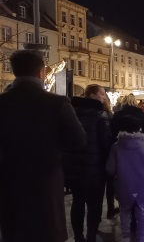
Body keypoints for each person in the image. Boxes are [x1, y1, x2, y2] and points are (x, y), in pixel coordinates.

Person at [0, 50, 86, 242]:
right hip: (46, 185)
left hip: (10, 184)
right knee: (47, 231)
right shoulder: (57, 103)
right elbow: (78, 141)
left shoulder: (2, 103)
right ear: (41, 73)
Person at [66, 84, 113, 242]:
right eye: (101, 94)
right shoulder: (100, 114)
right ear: (92, 95)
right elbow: (106, 142)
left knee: (77, 202)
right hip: (96, 167)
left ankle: (79, 236)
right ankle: (91, 235)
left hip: (75, 166)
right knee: (95, 204)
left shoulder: (72, 112)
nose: (104, 97)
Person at [106, 115, 144, 242]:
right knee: (142, 214)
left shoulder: (116, 147)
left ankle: (125, 237)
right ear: (139, 129)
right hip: (143, 186)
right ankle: (141, 238)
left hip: (124, 186)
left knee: (124, 213)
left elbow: (110, 169)